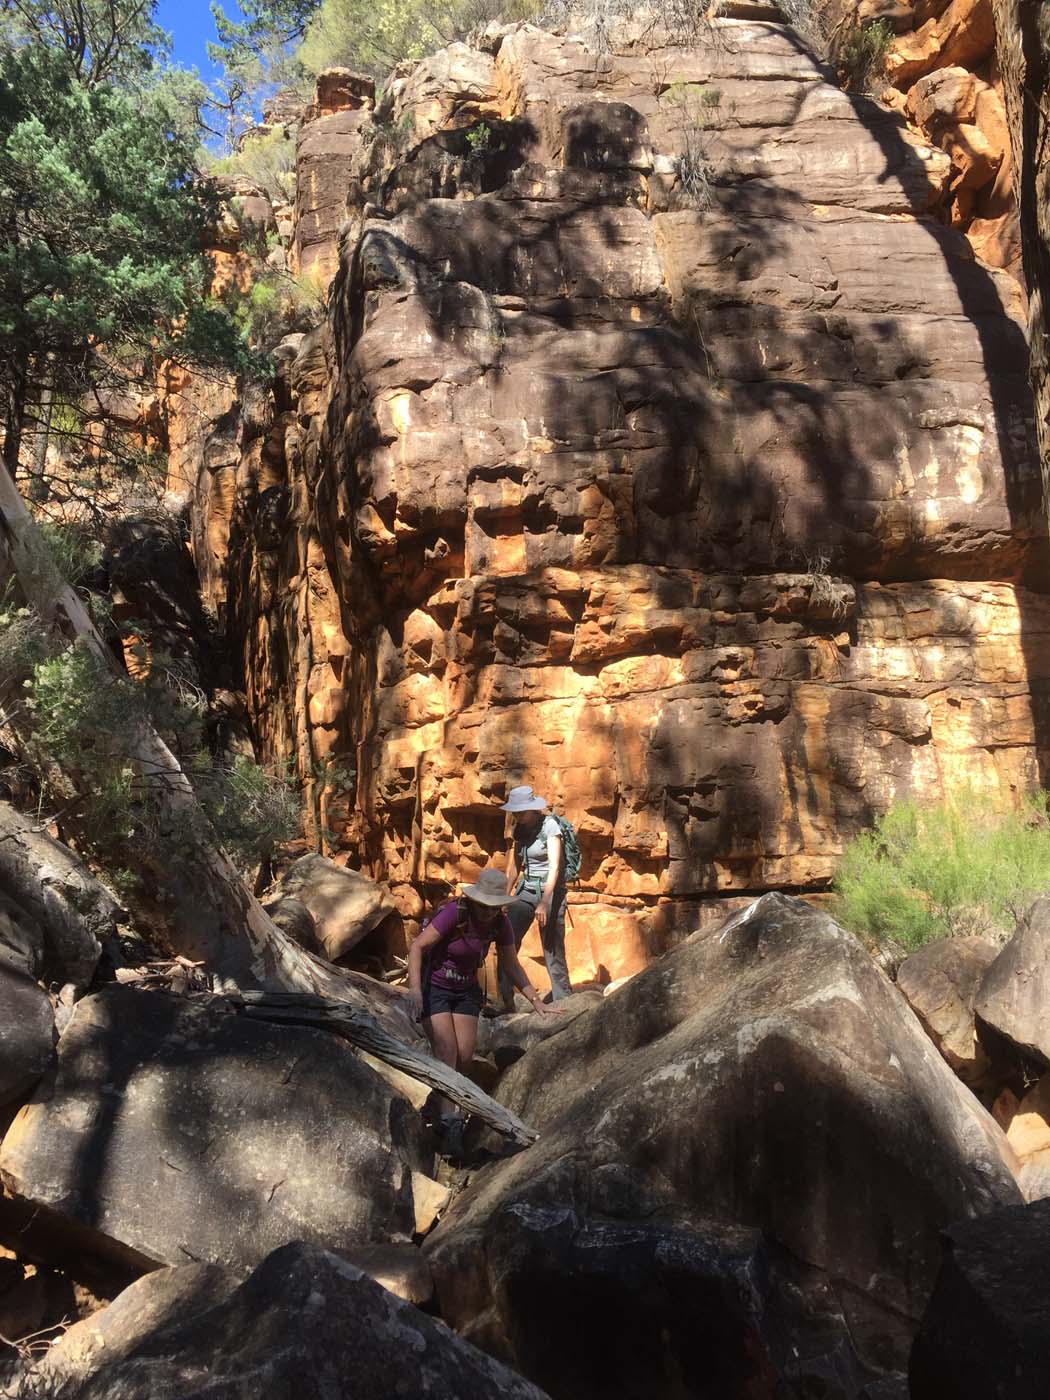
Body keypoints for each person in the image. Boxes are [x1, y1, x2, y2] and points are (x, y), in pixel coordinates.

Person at [407, 867, 553, 1156]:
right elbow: (417, 947)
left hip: (465, 992)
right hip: (435, 987)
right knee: (447, 1053)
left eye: (493, 906)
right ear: (474, 900)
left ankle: (438, 1104)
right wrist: (414, 991)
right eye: (484, 905)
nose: (488, 912)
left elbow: (511, 965)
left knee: (463, 1057)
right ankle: (452, 1125)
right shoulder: (454, 914)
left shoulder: (501, 924)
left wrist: (536, 1001)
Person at [499, 784, 573, 1013]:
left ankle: (564, 1002)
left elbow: (555, 867)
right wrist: (504, 896)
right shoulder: (519, 829)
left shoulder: (550, 826)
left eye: (522, 811)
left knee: (551, 948)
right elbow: (514, 868)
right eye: (516, 812)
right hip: (526, 889)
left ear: (532, 809)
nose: (518, 815)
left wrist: (544, 902)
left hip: (550, 891)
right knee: (506, 942)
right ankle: (506, 1002)